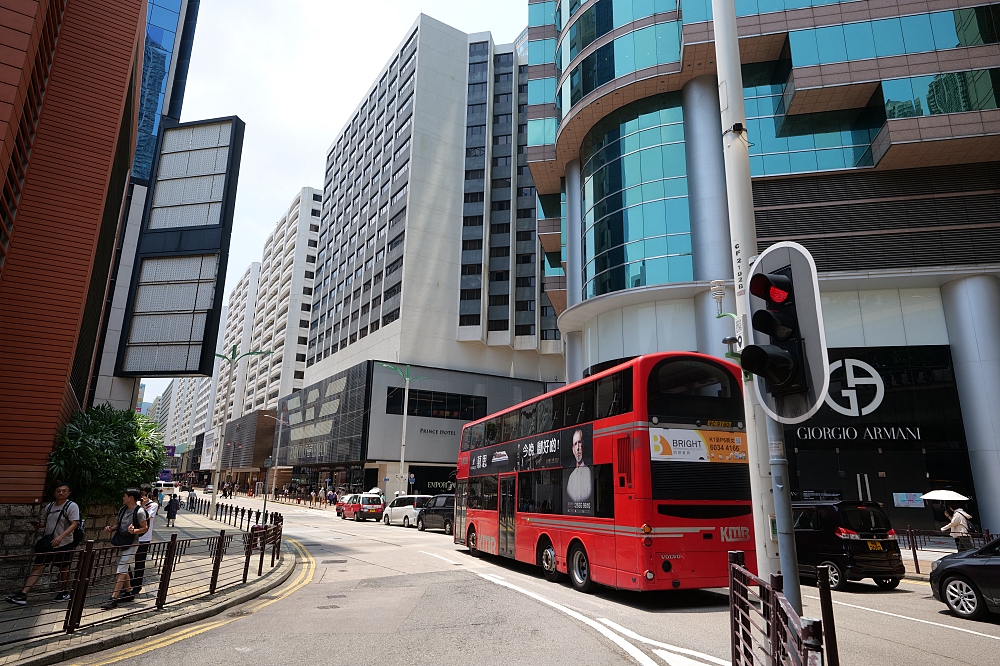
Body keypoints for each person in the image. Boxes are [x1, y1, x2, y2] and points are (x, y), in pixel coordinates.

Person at [5, 482, 80, 605]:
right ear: (54, 492)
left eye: (64, 491)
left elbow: (74, 523)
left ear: (68, 493)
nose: (60, 493)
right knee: (37, 567)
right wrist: (39, 525)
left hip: (64, 543)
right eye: (58, 491)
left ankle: (65, 591)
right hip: (48, 542)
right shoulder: (49, 507)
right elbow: (45, 521)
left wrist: (60, 537)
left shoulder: (71, 506)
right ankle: (23, 594)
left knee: (63, 568)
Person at [101, 488, 148, 609]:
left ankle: (113, 598)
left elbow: (145, 528)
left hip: (132, 543)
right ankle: (128, 592)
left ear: (131, 498)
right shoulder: (123, 510)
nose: (123, 498)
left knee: (121, 568)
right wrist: (111, 528)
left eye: (125, 496)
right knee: (123, 567)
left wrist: (134, 531)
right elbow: (118, 524)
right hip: (121, 542)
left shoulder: (139, 512)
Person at [129, 483, 158, 600]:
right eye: (140, 492)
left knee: (139, 563)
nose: (142, 495)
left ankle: (137, 586)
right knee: (125, 561)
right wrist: (140, 504)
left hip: (144, 538)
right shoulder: (135, 504)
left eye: (144, 493)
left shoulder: (153, 505)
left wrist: (143, 506)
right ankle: (129, 584)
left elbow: (147, 518)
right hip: (133, 537)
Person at [566, 429, 593, 506]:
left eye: (579, 442)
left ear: (583, 444)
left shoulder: (589, 472)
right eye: (575, 444)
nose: (577, 448)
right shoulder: (571, 477)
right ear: (573, 449)